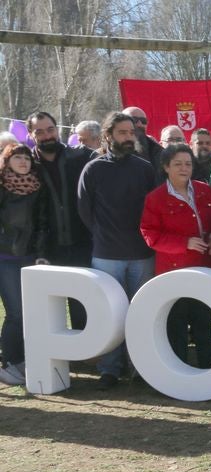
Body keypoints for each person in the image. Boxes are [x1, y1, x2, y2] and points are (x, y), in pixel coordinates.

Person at [76, 111, 157, 388]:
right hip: (107, 255)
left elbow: (153, 209)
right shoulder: (94, 169)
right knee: (108, 314)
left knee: (140, 312)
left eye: (131, 133)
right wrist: (103, 235)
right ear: (108, 136)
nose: (128, 137)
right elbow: (84, 210)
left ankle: (139, 368)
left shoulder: (144, 168)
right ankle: (109, 369)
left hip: (141, 255)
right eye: (122, 133)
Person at [139, 144, 211, 370]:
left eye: (188, 163)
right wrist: (184, 244)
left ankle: (207, 367)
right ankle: (179, 370)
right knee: (177, 321)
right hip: (173, 271)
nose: (184, 168)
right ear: (165, 167)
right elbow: (150, 234)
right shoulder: (155, 198)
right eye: (177, 164)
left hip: (204, 269)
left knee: (204, 319)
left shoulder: (205, 190)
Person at [28, 111, 93, 329]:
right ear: (30, 135)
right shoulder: (26, 165)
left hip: (82, 241)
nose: (47, 136)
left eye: (50, 129)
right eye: (40, 132)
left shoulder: (81, 157)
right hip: (45, 245)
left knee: (83, 300)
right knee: (50, 305)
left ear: (58, 130)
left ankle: (86, 354)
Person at [0, 144, 50, 386]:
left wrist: (40, 253)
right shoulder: (1, 187)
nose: (23, 162)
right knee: (15, 312)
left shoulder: (37, 188)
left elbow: (41, 223)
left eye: (27, 158)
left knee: (30, 313)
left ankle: (22, 359)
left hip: (29, 257)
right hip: (5, 257)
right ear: (7, 161)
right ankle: (9, 362)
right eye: (17, 158)